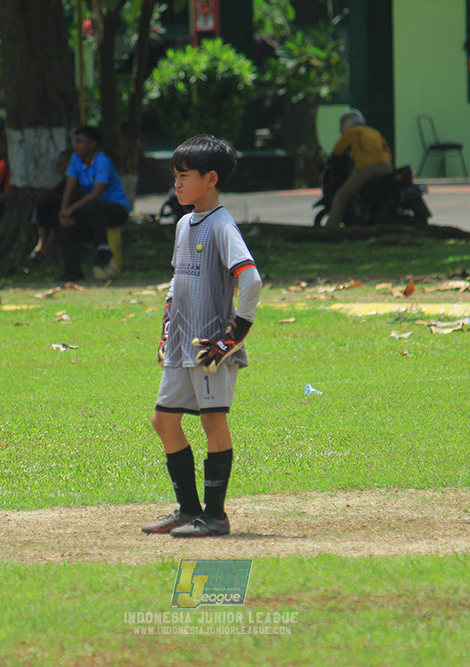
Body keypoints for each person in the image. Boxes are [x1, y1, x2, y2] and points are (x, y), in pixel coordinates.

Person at [140, 135, 262, 539]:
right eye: (174, 176)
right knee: (163, 421)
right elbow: (177, 282)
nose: (176, 184)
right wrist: (166, 330)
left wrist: (233, 336)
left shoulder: (222, 226)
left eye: (184, 176)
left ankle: (215, 516)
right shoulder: (183, 224)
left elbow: (251, 279)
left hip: (210, 347)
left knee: (212, 420)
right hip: (181, 344)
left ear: (211, 179)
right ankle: (189, 510)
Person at [58, 126, 130, 282]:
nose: (77, 145)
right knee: (67, 225)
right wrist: (64, 211)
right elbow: (69, 187)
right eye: (76, 141)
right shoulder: (75, 159)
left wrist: (70, 209)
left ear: (92, 144)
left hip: (115, 209)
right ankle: (72, 272)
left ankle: (103, 249)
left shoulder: (102, 162)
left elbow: (96, 194)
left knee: (93, 205)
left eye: (81, 142)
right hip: (94, 213)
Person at [327, 109, 394, 227]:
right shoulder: (373, 132)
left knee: (340, 198)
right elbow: (388, 153)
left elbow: (337, 152)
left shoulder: (351, 132)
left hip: (367, 170)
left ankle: (330, 230)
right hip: (387, 168)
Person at [28, 149, 74, 265]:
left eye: (62, 164)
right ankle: (41, 241)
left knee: (59, 212)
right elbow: (55, 194)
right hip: (59, 207)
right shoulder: (63, 181)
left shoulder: (76, 179)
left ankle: (48, 245)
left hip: (73, 210)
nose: (59, 167)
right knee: (41, 206)